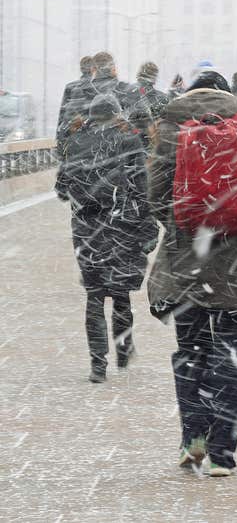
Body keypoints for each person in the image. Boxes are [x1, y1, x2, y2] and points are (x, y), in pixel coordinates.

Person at [146, 68, 237, 476]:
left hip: (186, 262)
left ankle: (194, 438)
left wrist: (188, 225)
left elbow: (155, 195)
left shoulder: (170, 124)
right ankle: (223, 453)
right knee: (234, 356)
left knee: (192, 354)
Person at [55, 93, 157, 382]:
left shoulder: (75, 140)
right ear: (116, 113)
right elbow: (141, 186)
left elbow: (62, 189)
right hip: (120, 223)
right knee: (121, 292)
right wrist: (149, 226)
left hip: (86, 228)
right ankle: (124, 348)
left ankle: (97, 364)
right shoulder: (128, 139)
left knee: (94, 295)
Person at [56, 55, 94, 154]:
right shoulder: (98, 87)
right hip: (91, 138)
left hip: (73, 135)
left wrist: (59, 137)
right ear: (94, 68)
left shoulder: (70, 87)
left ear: (81, 69)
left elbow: (62, 114)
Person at [136, 61, 170, 147]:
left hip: (130, 146)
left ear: (139, 76)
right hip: (153, 145)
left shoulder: (127, 94)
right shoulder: (163, 98)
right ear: (154, 79)